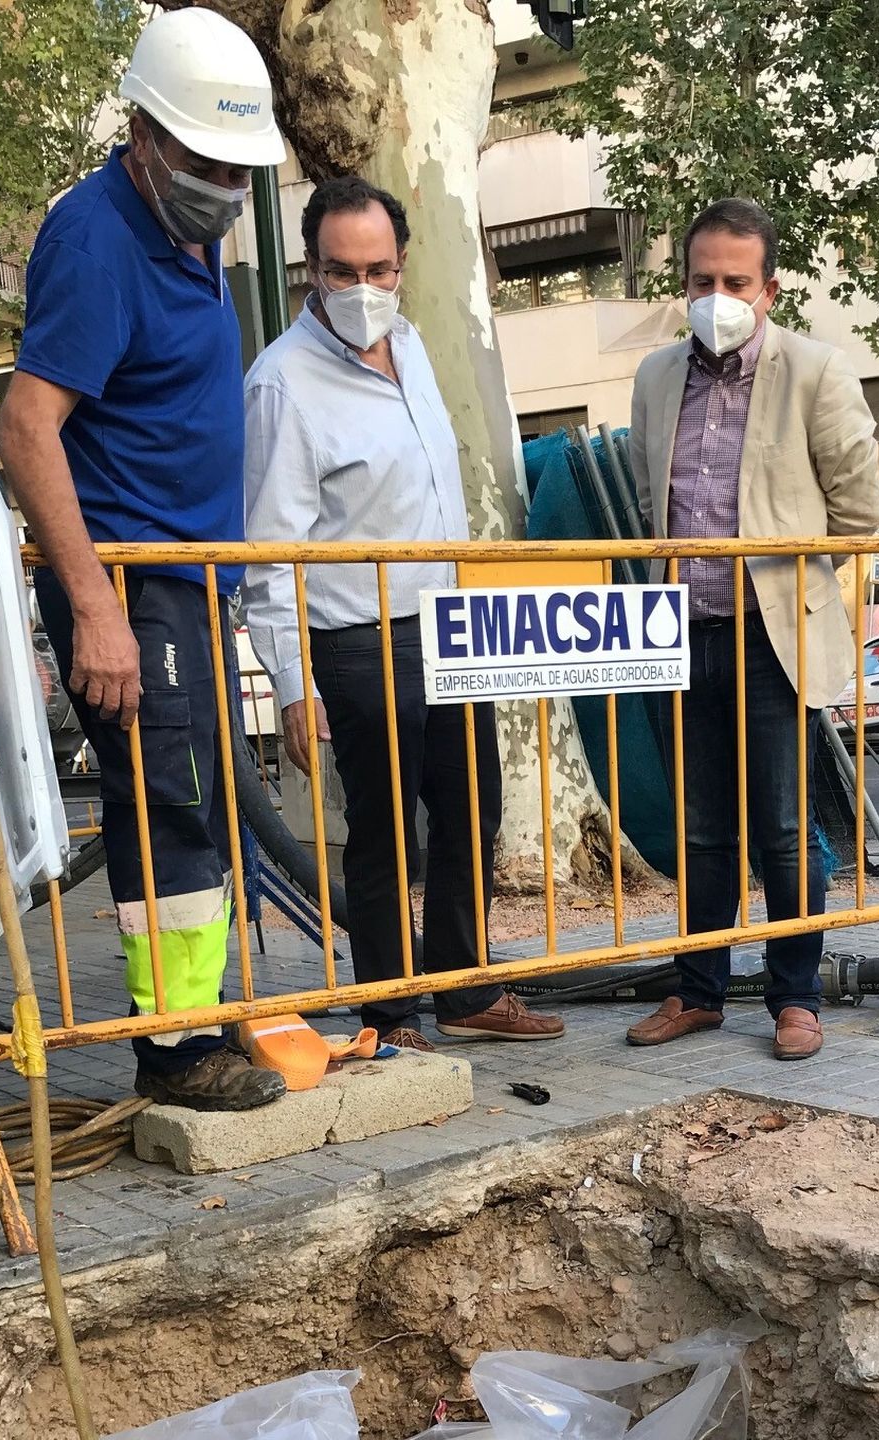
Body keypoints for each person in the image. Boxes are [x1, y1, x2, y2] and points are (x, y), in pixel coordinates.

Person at [0, 9, 286, 1112]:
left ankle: (198, 1015)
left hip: (184, 580)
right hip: (130, 583)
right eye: (207, 164)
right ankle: (174, 1052)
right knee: (168, 805)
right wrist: (95, 606)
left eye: (237, 169)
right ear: (145, 137)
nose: (226, 186)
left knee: (198, 801)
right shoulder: (97, 240)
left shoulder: (182, 230)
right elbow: (29, 427)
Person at [241, 176, 562, 1052]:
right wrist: (293, 683)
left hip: (449, 626)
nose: (362, 289)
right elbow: (270, 551)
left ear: (403, 264)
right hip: (358, 639)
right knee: (385, 838)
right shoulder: (282, 385)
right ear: (311, 268)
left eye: (377, 269)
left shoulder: (412, 344)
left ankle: (464, 989)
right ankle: (389, 1016)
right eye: (341, 271)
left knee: (472, 812)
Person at [626, 197, 879, 1062]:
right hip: (679, 633)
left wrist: (794, 589)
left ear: (769, 289)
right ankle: (698, 991)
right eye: (703, 280)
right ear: (684, 283)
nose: (718, 296)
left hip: (772, 639)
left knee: (781, 827)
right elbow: (649, 500)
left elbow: (860, 517)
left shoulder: (816, 372)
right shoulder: (655, 377)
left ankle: (795, 997)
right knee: (700, 830)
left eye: (736, 281)